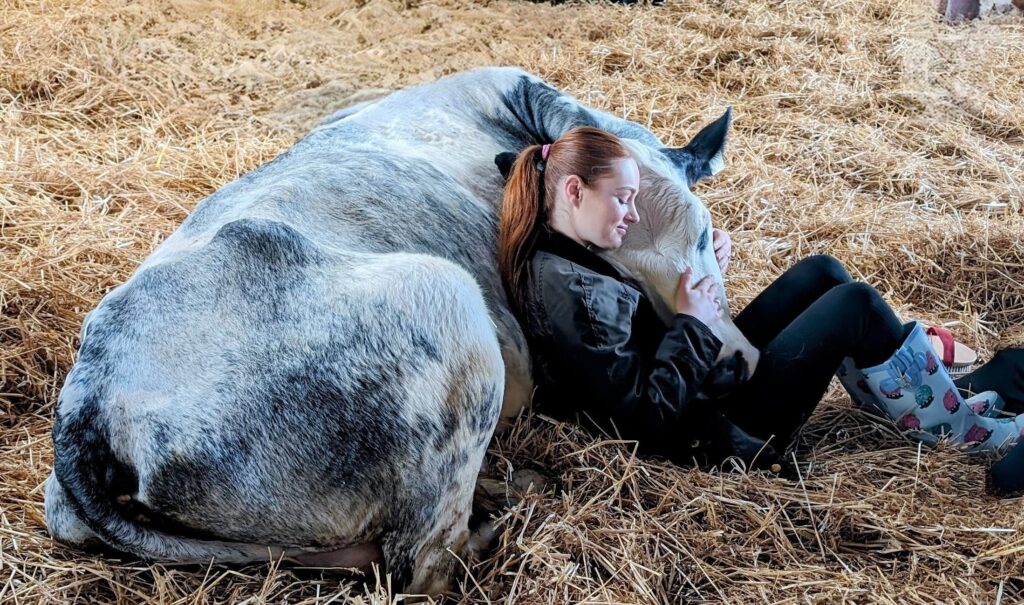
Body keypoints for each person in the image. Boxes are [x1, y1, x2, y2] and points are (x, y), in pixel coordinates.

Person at [497, 126, 1024, 472]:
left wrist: (703, 257)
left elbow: (639, 312)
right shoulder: (570, 288)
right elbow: (644, 418)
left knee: (822, 272)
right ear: (572, 191)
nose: (632, 214)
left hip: (703, 383)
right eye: (623, 199)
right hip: (715, 431)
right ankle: (958, 429)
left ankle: (912, 400)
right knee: (854, 304)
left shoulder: (570, 249)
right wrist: (693, 324)